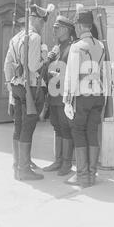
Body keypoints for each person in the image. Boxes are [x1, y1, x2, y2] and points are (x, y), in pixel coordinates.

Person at [4, 3, 54, 181]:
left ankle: (17, 164)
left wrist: (10, 84)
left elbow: (7, 65)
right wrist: (46, 59)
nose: (43, 25)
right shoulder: (33, 38)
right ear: (37, 20)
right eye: (43, 22)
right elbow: (33, 66)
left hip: (17, 87)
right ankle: (24, 169)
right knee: (27, 127)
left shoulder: (15, 38)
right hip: (31, 88)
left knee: (18, 126)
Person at [63, 9, 111, 188]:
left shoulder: (77, 46)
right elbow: (107, 73)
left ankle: (82, 176)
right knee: (92, 133)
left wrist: (67, 100)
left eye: (75, 25)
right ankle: (92, 174)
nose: (74, 28)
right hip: (98, 96)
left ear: (80, 25)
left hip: (81, 96)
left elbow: (72, 75)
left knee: (78, 132)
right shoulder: (101, 45)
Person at [43, 15, 77, 176]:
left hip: (64, 96)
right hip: (53, 95)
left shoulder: (71, 48)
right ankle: (58, 160)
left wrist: (58, 76)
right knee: (57, 128)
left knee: (65, 128)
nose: (54, 30)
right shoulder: (56, 48)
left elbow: (73, 73)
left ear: (66, 30)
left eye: (57, 28)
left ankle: (66, 163)